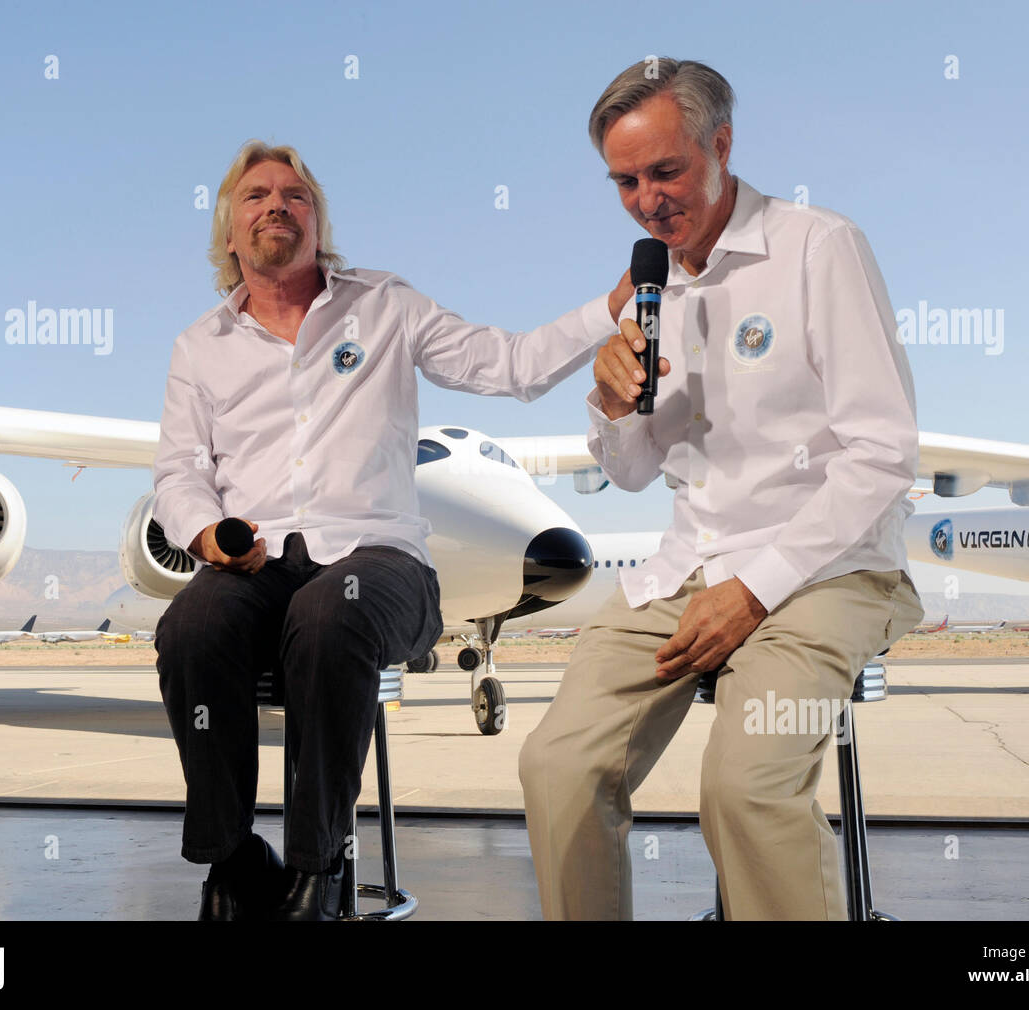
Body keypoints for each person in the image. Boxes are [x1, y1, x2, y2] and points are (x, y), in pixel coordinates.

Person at [152, 140, 624, 921]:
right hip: (258, 562)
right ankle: (232, 857)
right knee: (190, 626)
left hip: (382, 561)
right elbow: (177, 471)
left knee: (333, 608)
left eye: (296, 195)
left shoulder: (385, 306)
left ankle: (319, 861)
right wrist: (207, 533)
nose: (278, 203)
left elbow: (508, 366)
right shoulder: (199, 346)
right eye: (257, 195)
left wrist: (604, 313)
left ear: (317, 220)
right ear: (230, 235)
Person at [518, 59, 926, 920]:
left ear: (723, 145)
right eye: (624, 181)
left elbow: (882, 453)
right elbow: (629, 472)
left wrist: (754, 591)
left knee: (743, 792)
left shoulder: (820, 247)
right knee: (556, 767)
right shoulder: (649, 291)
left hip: (828, 571)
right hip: (686, 572)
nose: (646, 200)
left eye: (665, 171)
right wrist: (608, 401)